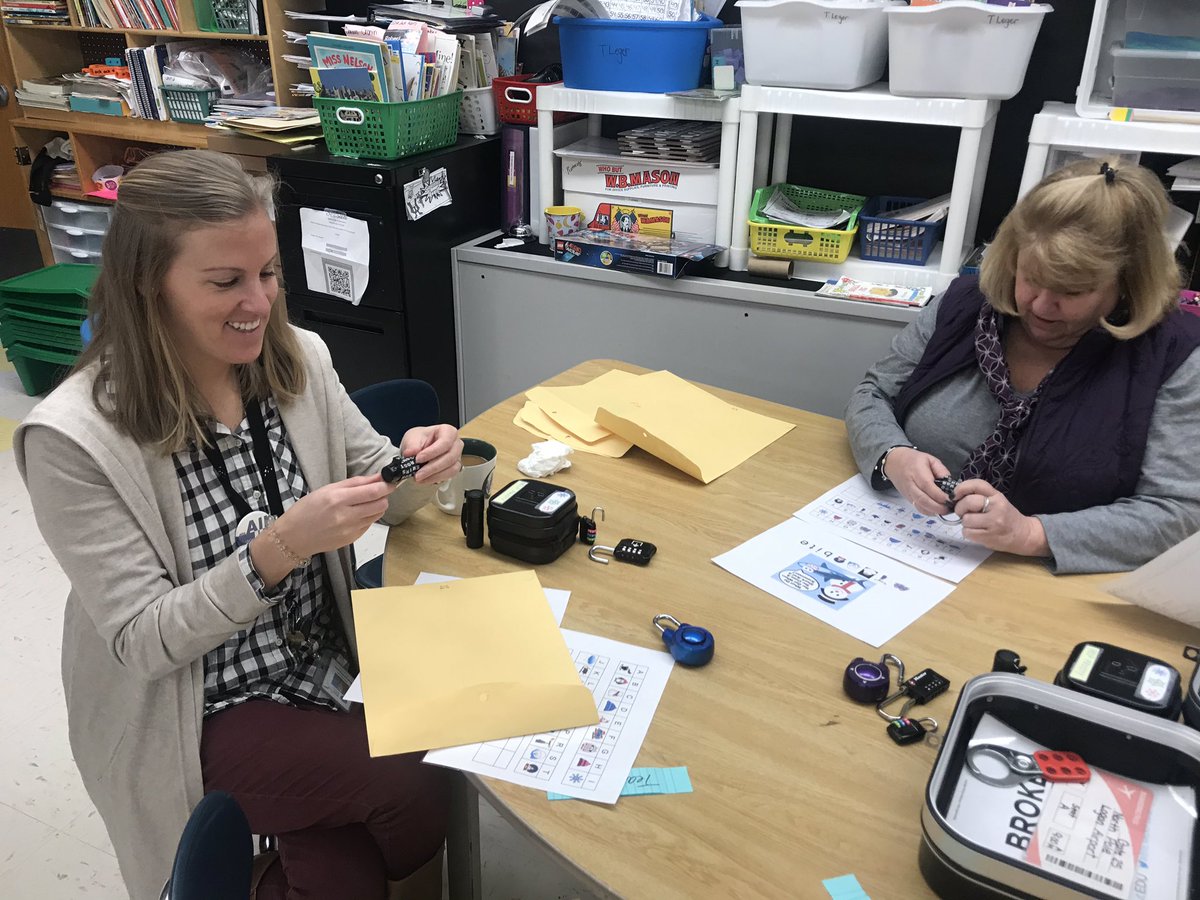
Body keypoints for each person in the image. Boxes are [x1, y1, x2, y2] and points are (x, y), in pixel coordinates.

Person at [15, 150, 465, 900]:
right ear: (146, 285)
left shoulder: (298, 361)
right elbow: (145, 641)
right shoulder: (73, 438)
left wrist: (422, 462)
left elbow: (385, 490)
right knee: (409, 784)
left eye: (269, 273)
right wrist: (279, 549)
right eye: (226, 282)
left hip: (318, 659)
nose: (258, 303)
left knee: (359, 854)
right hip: (195, 703)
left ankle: (275, 857)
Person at [845, 159, 1200, 574]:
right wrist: (893, 455)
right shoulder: (962, 307)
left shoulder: (1172, 356)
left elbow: (1179, 513)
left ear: (1128, 282)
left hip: (1044, 584)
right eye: (1031, 277)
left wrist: (1033, 534)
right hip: (915, 549)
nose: (1041, 306)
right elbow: (873, 393)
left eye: (1072, 291)